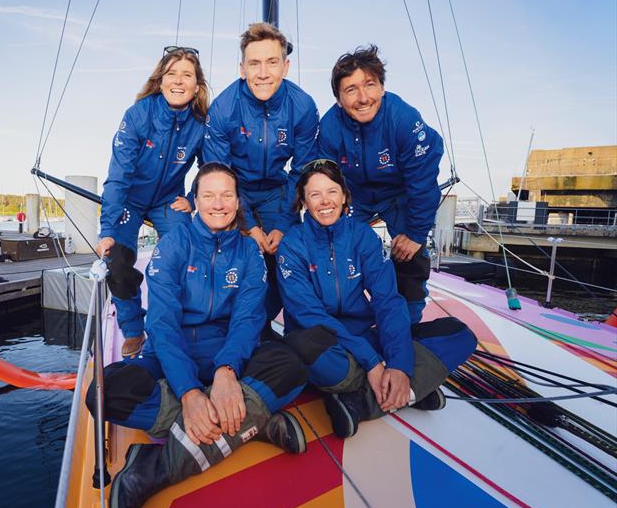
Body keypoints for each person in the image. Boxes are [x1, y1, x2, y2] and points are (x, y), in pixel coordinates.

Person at [88, 163, 309, 508]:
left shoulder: (250, 252)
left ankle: (155, 467)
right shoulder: (173, 245)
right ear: (195, 200)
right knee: (104, 391)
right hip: (174, 354)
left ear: (239, 202)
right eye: (208, 195)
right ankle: (254, 421)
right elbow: (161, 325)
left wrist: (225, 373)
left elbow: (248, 319)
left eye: (227, 195)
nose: (218, 204)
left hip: (227, 350)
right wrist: (190, 393)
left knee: (295, 365)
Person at [276, 160, 476, 438]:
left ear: (344, 196)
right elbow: (309, 315)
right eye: (315, 194)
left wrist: (400, 365)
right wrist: (372, 361)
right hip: (326, 343)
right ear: (304, 202)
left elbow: (387, 301)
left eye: (332, 192)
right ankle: (412, 391)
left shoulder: (363, 237)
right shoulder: (292, 244)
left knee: (461, 335)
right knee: (302, 347)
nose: (325, 202)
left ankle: (363, 400)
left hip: (365, 336)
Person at [203, 22, 319, 327]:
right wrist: (248, 227)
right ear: (242, 68)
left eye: (272, 62)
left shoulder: (303, 107)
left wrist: (283, 224)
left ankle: (295, 338)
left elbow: (302, 172)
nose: (263, 72)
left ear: (286, 66)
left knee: (287, 260)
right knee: (230, 259)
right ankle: (228, 329)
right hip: (234, 189)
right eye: (255, 63)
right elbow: (219, 177)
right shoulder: (223, 108)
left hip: (275, 190)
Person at [95, 46, 209, 356]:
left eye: (187, 75)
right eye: (171, 73)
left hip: (168, 201)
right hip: (130, 199)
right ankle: (133, 329)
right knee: (116, 259)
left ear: (196, 85)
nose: (178, 81)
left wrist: (192, 199)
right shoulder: (137, 115)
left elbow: (211, 169)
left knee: (183, 253)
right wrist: (107, 228)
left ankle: (176, 324)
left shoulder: (201, 124)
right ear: (160, 81)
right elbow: (118, 175)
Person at [318, 45, 443, 324]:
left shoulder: (404, 120)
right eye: (350, 90)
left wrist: (416, 233)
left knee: (411, 252)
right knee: (336, 248)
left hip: (399, 192)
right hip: (354, 195)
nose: (363, 98)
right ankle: (348, 316)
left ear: (382, 88)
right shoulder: (329, 128)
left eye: (370, 85)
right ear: (339, 99)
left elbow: (422, 182)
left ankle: (407, 321)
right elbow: (324, 184)